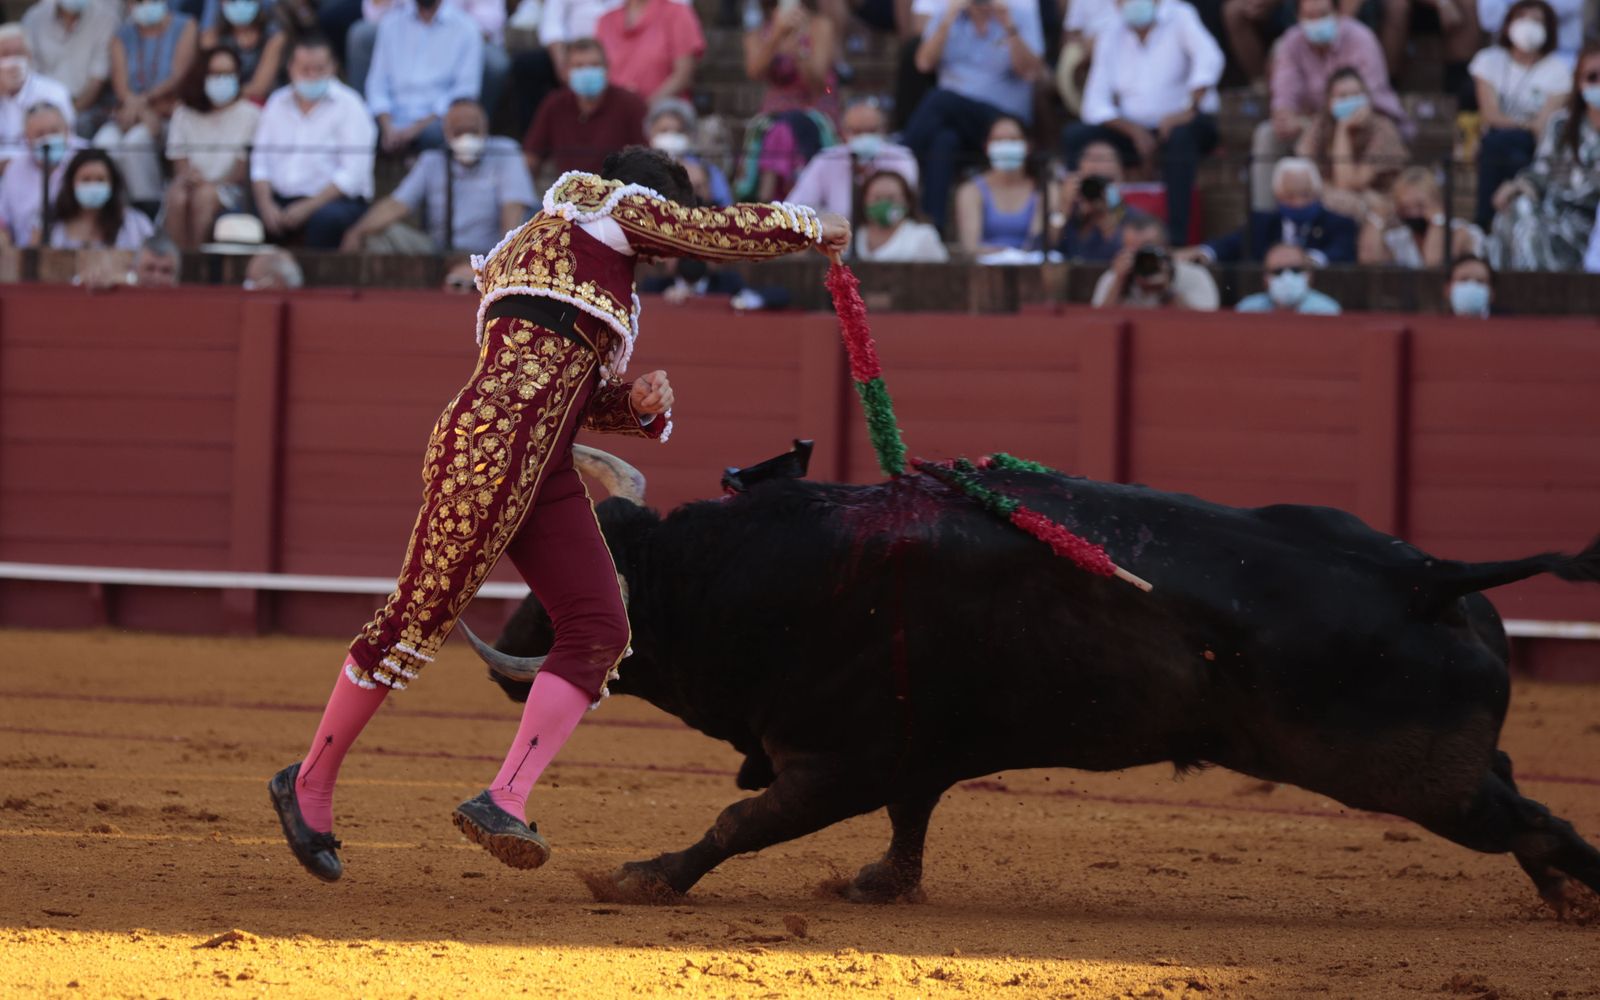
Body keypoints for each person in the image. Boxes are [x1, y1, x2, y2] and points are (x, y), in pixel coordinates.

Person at [267, 146, 850, 885]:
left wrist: (632, 407)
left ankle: (504, 796)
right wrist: (811, 225)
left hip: (543, 458)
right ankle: (309, 780)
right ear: (646, 199)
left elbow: (564, 384)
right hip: (487, 448)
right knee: (418, 616)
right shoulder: (604, 204)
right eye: (664, 228)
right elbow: (711, 232)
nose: (663, 249)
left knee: (601, 626)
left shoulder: (568, 253)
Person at [1063, 0, 1224, 246]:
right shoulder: (1111, 30)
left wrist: (1187, 110)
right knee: (1074, 136)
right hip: (1134, 129)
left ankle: (1176, 240)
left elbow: (1210, 61)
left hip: (1185, 121)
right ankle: (1078, 229)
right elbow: (1094, 103)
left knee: (1180, 141)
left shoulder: (1180, 16)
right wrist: (1134, 131)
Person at [1247, 0, 1403, 212]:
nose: (1316, 22)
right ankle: (1265, 218)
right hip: (1316, 122)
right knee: (1268, 133)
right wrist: (1285, 116)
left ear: (1337, 12)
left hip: (1367, 121)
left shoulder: (1360, 38)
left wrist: (1340, 122)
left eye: (1322, 14)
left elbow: (1349, 182)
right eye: (1309, 16)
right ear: (1298, 17)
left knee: (1346, 195)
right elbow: (1284, 92)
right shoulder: (1291, 41)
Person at [902, 0, 1046, 230]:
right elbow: (923, 63)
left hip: (1004, 120)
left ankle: (902, 154)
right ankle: (933, 229)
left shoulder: (1020, 13)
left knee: (939, 99)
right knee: (943, 142)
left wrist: (1008, 25)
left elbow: (1030, 72)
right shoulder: (948, 12)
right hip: (957, 121)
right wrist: (947, 21)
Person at [341, 98, 535, 253]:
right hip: (438, 252)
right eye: (459, 131)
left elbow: (513, 213)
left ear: (485, 128)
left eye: (473, 130)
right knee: (376, 234)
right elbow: (396, 204)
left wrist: (495, 262)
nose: (467, 137)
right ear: (446, 133)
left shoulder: (506, 152)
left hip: (490, 252)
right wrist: (357, 231)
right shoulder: (432, 160)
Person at [250, 34, 376, 249]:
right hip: (280, 200)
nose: (312, 76)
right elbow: (260, 164)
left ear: (333, 67)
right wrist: (266, 204)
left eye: (319, 69)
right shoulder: (277, 102)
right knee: (238, 221)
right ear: (290, 68)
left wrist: (308, 207)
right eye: (305, 69)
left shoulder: (351, 105)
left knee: (325, 221)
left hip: (334, 202)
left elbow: (352, 175)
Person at [1487, 40, 1600, 271]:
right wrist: (1517, 186)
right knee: (1515, 209)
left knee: (1526, 223)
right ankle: (1525, 288)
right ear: (1579, 83)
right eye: (1592, 77)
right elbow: (1541, 170)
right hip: (1552, 211)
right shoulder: (1561, 124)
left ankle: (1533, 292)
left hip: (1590, 219)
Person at [1469, 0, 1570, 228]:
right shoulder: (1489, 60)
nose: (1528, 26)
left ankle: (1484, 220)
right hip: (1498, 143)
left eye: (1537, 21)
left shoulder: (1559, 69)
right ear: (1507, 25)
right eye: (1522, 18)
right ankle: (1507, 220)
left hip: (1530, 145)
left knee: (1504, 145)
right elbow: (1490, 114)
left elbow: (1543, 126)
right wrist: (1524, 124)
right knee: (1503, 148)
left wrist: (1518, 127)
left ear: (1549, 28)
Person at [95, 0, 196, 205]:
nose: (145, 4)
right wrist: (141, 111)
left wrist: (143, 103)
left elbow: (179, 76)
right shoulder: (122, 35)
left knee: (136, 143)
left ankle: (149, 209)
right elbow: (121, 86)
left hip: (169, 114)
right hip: (130, 114)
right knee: (103, 144)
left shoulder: (185, 26)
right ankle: (113, 211)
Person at [735, 0, 838, 201]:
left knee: (784, 129)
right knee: (779, 129)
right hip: (773, 115)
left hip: (813, 112)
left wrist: (800, 47)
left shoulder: (820, 26)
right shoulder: (760, 31)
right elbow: (754, 71)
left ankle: (767, 200)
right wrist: (776, 36)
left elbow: (818, 82)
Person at [164, 45, 260, 249]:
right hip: (192, 183)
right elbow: (179, 162)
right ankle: (177, 266)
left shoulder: (251, 114)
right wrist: (190, 178)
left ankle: (197, 265)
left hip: (230, 189)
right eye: (216, 74)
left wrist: (211, 184)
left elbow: (241, 170)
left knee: (205, 196)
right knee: (177, 196)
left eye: (228, 74)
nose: (222, 80)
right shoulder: (183, 112)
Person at [1192, 156, 1358, 264]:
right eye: (1290, 196)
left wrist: (1307, 260)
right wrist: (1203, 254)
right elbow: (1230, 244)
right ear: (1278, 196)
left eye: (1305, 195)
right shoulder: (1261, 223)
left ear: (1317, 193)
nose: (1299, 203)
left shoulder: (1340, 224)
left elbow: (1341, 251)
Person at [1294, 65, 1410, 221]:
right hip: (1330, 196)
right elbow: (1304, 171)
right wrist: (1324, 188)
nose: (1350, 101)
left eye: (1356, 95)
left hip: (1376, 202)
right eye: (1343, 96)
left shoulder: (1383, 128)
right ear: (1329, 102)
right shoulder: (1320, 124)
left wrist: (1343, 129)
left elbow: (1348, 184)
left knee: (1344, 202)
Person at [366, 0, 483, 153]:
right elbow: (377, 83)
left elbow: (463, 92)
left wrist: (415, 129)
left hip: (435, 120)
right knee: (358, 124)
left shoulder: (467, 28)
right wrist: (387, 126)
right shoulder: (390, 23)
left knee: (441, 132)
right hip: (391, 117)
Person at [523, 38, 647, 179]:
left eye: (594, 65)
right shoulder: (555, 104)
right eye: (579, 66)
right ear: (566, 71)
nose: (587, 71)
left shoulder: (630, 103)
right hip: (568, 193)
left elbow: (646, 158)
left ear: (607, 68)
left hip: (618, 193)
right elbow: (531, 156)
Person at [787, 96, 918, 219]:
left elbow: (906, 207)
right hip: (840, 237)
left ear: (883, 130)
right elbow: (796, 207)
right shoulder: (827, 159)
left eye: (871, 131)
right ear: (843, 133)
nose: (864, 137)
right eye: (857, 132)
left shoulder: (901, 158)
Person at [21, 0, 120, 135]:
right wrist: (47, 116)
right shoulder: (34, 17)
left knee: (83, 127)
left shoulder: (106, 18)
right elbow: (30, 73)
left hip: (86, 105)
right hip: (42, 106)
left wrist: (68, 115)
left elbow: (97, 79)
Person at [1359, 165, 1484, 267]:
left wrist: (1437, 220)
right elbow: (1369, 260)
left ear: (1436, 202)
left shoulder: (1461, 231)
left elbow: (1434, 263)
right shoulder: (1398, 238)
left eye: (1420, 206)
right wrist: (1377, 217)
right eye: (1405, 207)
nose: (1413, 213)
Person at [954, 115, 1045, 254]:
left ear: (1028, 146)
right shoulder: (971, 191)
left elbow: (1037, 243)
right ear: (986, 147)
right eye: (998, 140)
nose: (1006, 145)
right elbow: (971, 248)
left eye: (1013, 140)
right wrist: (1007, 254)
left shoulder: (1042, 189)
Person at [1091, 214, 1219, 309]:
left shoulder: (1194, 275)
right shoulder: (1114, 277)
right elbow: (1098, 328)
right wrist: (1119, 284)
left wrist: (1167, 292)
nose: (1141, 257)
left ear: (1166, 250)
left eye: (1148, 249)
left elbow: (1203, 326)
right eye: (1132, 250)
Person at [0, 102, 82, 245]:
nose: (47, 140)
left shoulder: (85, 161)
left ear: (68, 131)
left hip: (78, 254)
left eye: (54, 132)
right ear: (26, 139)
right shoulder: (15, 170)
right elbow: (3, 222)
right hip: (25, 258)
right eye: (39, 134)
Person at [1055, 138, 1149, 261]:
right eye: (1092, 158)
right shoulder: (1070, 214)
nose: (1097, 164)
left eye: (1104, 159)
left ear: (1120, 177)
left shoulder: (1135, 219)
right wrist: (1064, 206)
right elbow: (1043, 245)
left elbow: (1118, 251)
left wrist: (1106, 212)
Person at [594, 0, 705, 103]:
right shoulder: (605, 21)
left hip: (662, 114)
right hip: (616, 111)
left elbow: (683, 75)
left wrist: (642, 108)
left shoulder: (678, 14)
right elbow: (599, 71)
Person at [47, 147, 156, 249]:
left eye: (100, 180)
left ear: (113, 184)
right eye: (86, 180)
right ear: (71, 184)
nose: (93, 185)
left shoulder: (136, 225)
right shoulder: (53, 226)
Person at [0, 25, 76, 170]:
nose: (13, 61)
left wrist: (13, 166)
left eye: (18, 53)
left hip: (43, 173)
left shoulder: (53, 92)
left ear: (29, 57)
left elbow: (65, 144)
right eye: (5, 55)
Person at [644, 97, 733, 206]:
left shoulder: (708, 170)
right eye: (664, 130)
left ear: (689, 134)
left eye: (679, 131)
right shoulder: (641, 168)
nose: (671, 136)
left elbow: (725, 206)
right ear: (650, 131)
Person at [201, 0, 288, 103]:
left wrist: (225, 93)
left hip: (261, 104)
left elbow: (259, 88)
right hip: (221, 103)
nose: (240, 3)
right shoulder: (214, 33)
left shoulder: (274, 35)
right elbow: (204, 77)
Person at [854, 168, 949, 261]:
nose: (883, 204)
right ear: (864, 201)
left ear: (907, 202)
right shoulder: (852, 235)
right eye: (877, 198)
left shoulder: (923, 236)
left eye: (891, 198)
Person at [1235, 241, 1342, 314]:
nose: (1287, 277)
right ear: (1265, 279)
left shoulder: (1327, 311)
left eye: (1296, 270)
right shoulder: (1248, 310)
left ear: (1310, 275)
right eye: (1278, 271)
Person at [1479, 0, 1584, 65]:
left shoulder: (1559, 70)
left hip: (1562, 58)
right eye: (1520, 16)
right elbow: (1490, 20)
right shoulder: (1489, 60)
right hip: (1509, 57)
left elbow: (1567, 6)